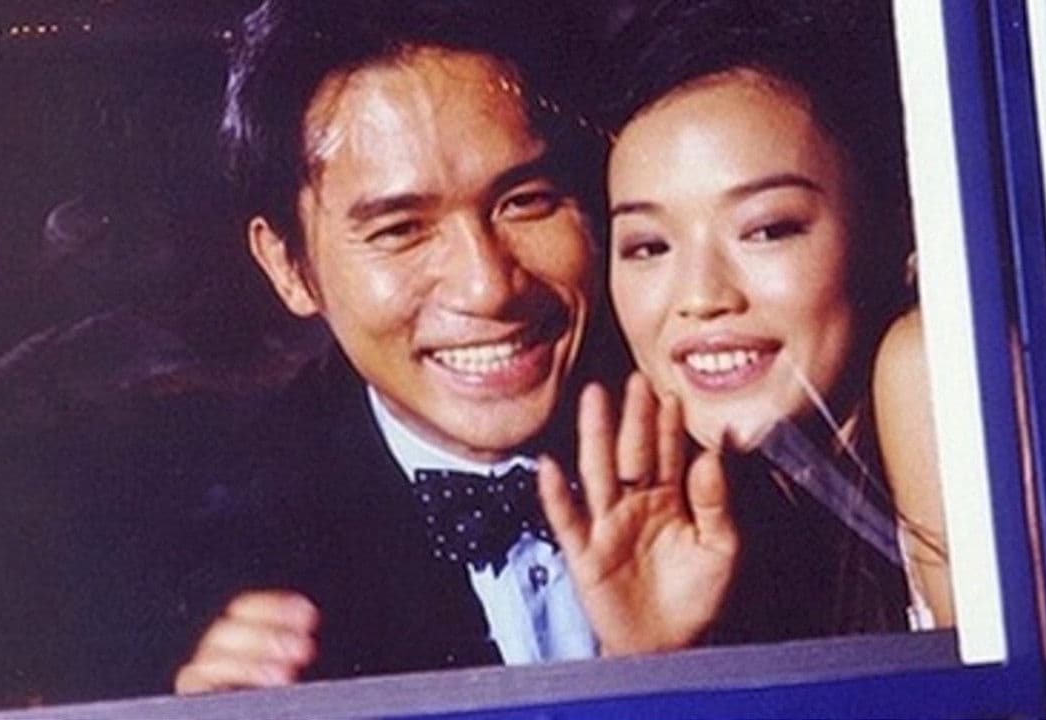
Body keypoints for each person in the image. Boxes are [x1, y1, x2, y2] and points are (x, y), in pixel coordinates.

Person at [173, 0, 735, 693]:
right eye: (401, 229)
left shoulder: (732, 434)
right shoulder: (220, 556)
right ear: (288, 266)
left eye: (525, 200)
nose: (488, 287)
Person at [537, 0, 952, 644]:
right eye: (648, 246)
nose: (701, 297)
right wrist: (648, 656)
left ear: (895, 231)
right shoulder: (728, 522)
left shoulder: (925, 367)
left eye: (767, 230)